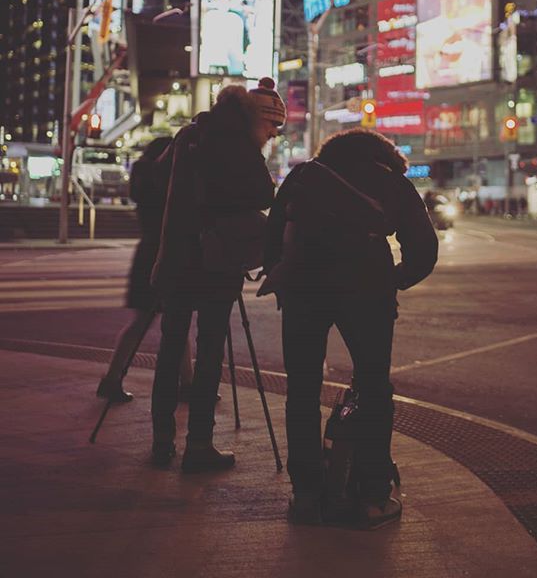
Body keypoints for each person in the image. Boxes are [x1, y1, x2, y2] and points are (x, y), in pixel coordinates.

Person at [259, 128, 439, 529]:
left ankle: (306, 493)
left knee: (302, 390)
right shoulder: (391, 181)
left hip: (305, 286)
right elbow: (424, 251)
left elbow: (271, 238)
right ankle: (373, 495)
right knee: (374, 387)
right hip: (367, 288)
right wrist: (394, 279)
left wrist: (281, 276)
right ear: (381, 156)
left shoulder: (305, 175)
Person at [149, 77, 285, 471]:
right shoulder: (241, 145)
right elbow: (265, 195)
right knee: (209, 350)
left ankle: (161, 440)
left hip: (177, 255)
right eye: (270, 128)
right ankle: (199, 445)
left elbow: (160, 182)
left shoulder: (192, 133)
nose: (270, 135)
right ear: (255, 118)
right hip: (218, 260)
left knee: (171, 346)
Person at [96, 137, 193, 403]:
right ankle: (185, 383)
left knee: (144, 322)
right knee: (175, 319)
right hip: (166, 253)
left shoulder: (144, 181)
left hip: (146, 253)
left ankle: (114, 378)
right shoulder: (167, 185)